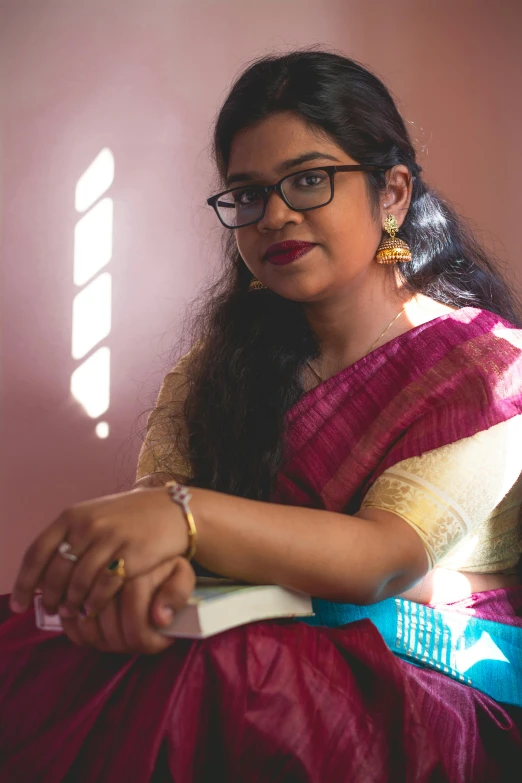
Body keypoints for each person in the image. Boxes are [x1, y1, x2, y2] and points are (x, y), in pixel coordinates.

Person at [1, 49, 521, 782]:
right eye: (247, 193)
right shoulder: (218, 367)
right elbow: (157, 520)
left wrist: (184, 521)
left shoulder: (490, 367)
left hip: (433, 665)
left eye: (309, 179)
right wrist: (145, 581)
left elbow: (382, 557)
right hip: (245, 635)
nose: (274, 213)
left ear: (393, 194)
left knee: (241, 682)